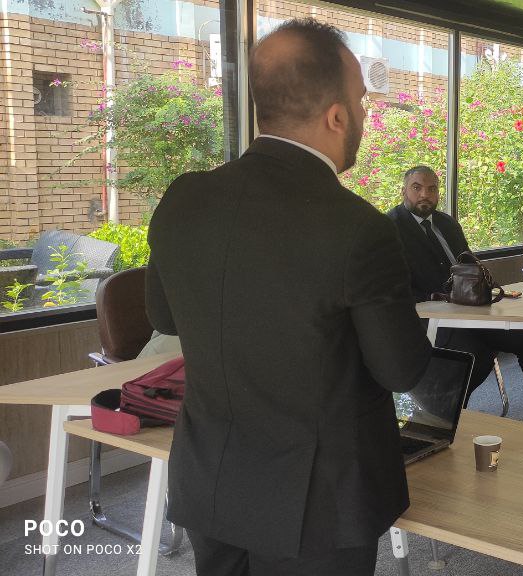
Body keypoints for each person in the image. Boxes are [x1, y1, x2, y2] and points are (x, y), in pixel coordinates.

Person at [146, 19, 435, 575]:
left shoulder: (183, 198)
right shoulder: (360, 229)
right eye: (361, 101)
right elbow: (400, 369)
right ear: (336, 116)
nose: (364, 114)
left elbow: (164, 315)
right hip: (318, 505)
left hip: (211, 478)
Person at [388, 166, 523, 430]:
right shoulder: (390, 227)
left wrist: (486, 290)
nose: (424, 194)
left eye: (431, 189)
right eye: (417, 188)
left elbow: (470, 264)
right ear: (403, 190)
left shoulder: (447, 224)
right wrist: (437, 299)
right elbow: (392, 287)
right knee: (474, 354)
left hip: (470, 308)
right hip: (427, 317)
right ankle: (439, 424)